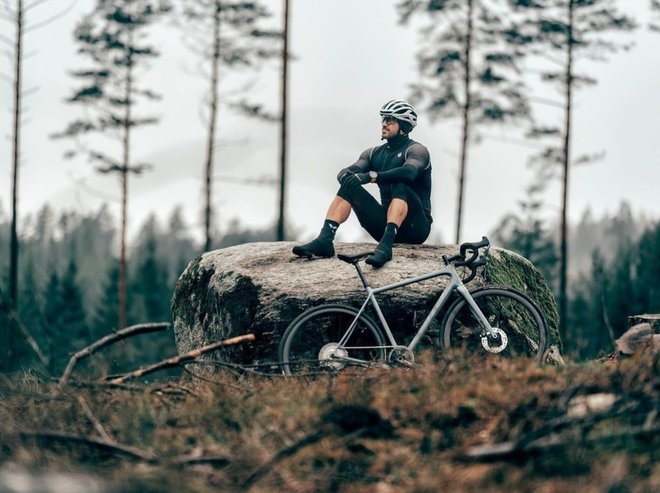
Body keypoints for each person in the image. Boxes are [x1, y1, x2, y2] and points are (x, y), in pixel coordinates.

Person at [292, 99, 432, 267]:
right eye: (383, 119)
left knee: (400, 182)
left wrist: (370, 176)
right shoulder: (373, 153)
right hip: (383, 225)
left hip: (416, 227)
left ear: (404, 125)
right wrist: (347, 176)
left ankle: (386, 247)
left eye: (390, 120)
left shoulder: (417, 150)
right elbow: (349, 171)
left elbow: (409, 172)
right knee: (350, 186)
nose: (384, 124)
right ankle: (325, 239)